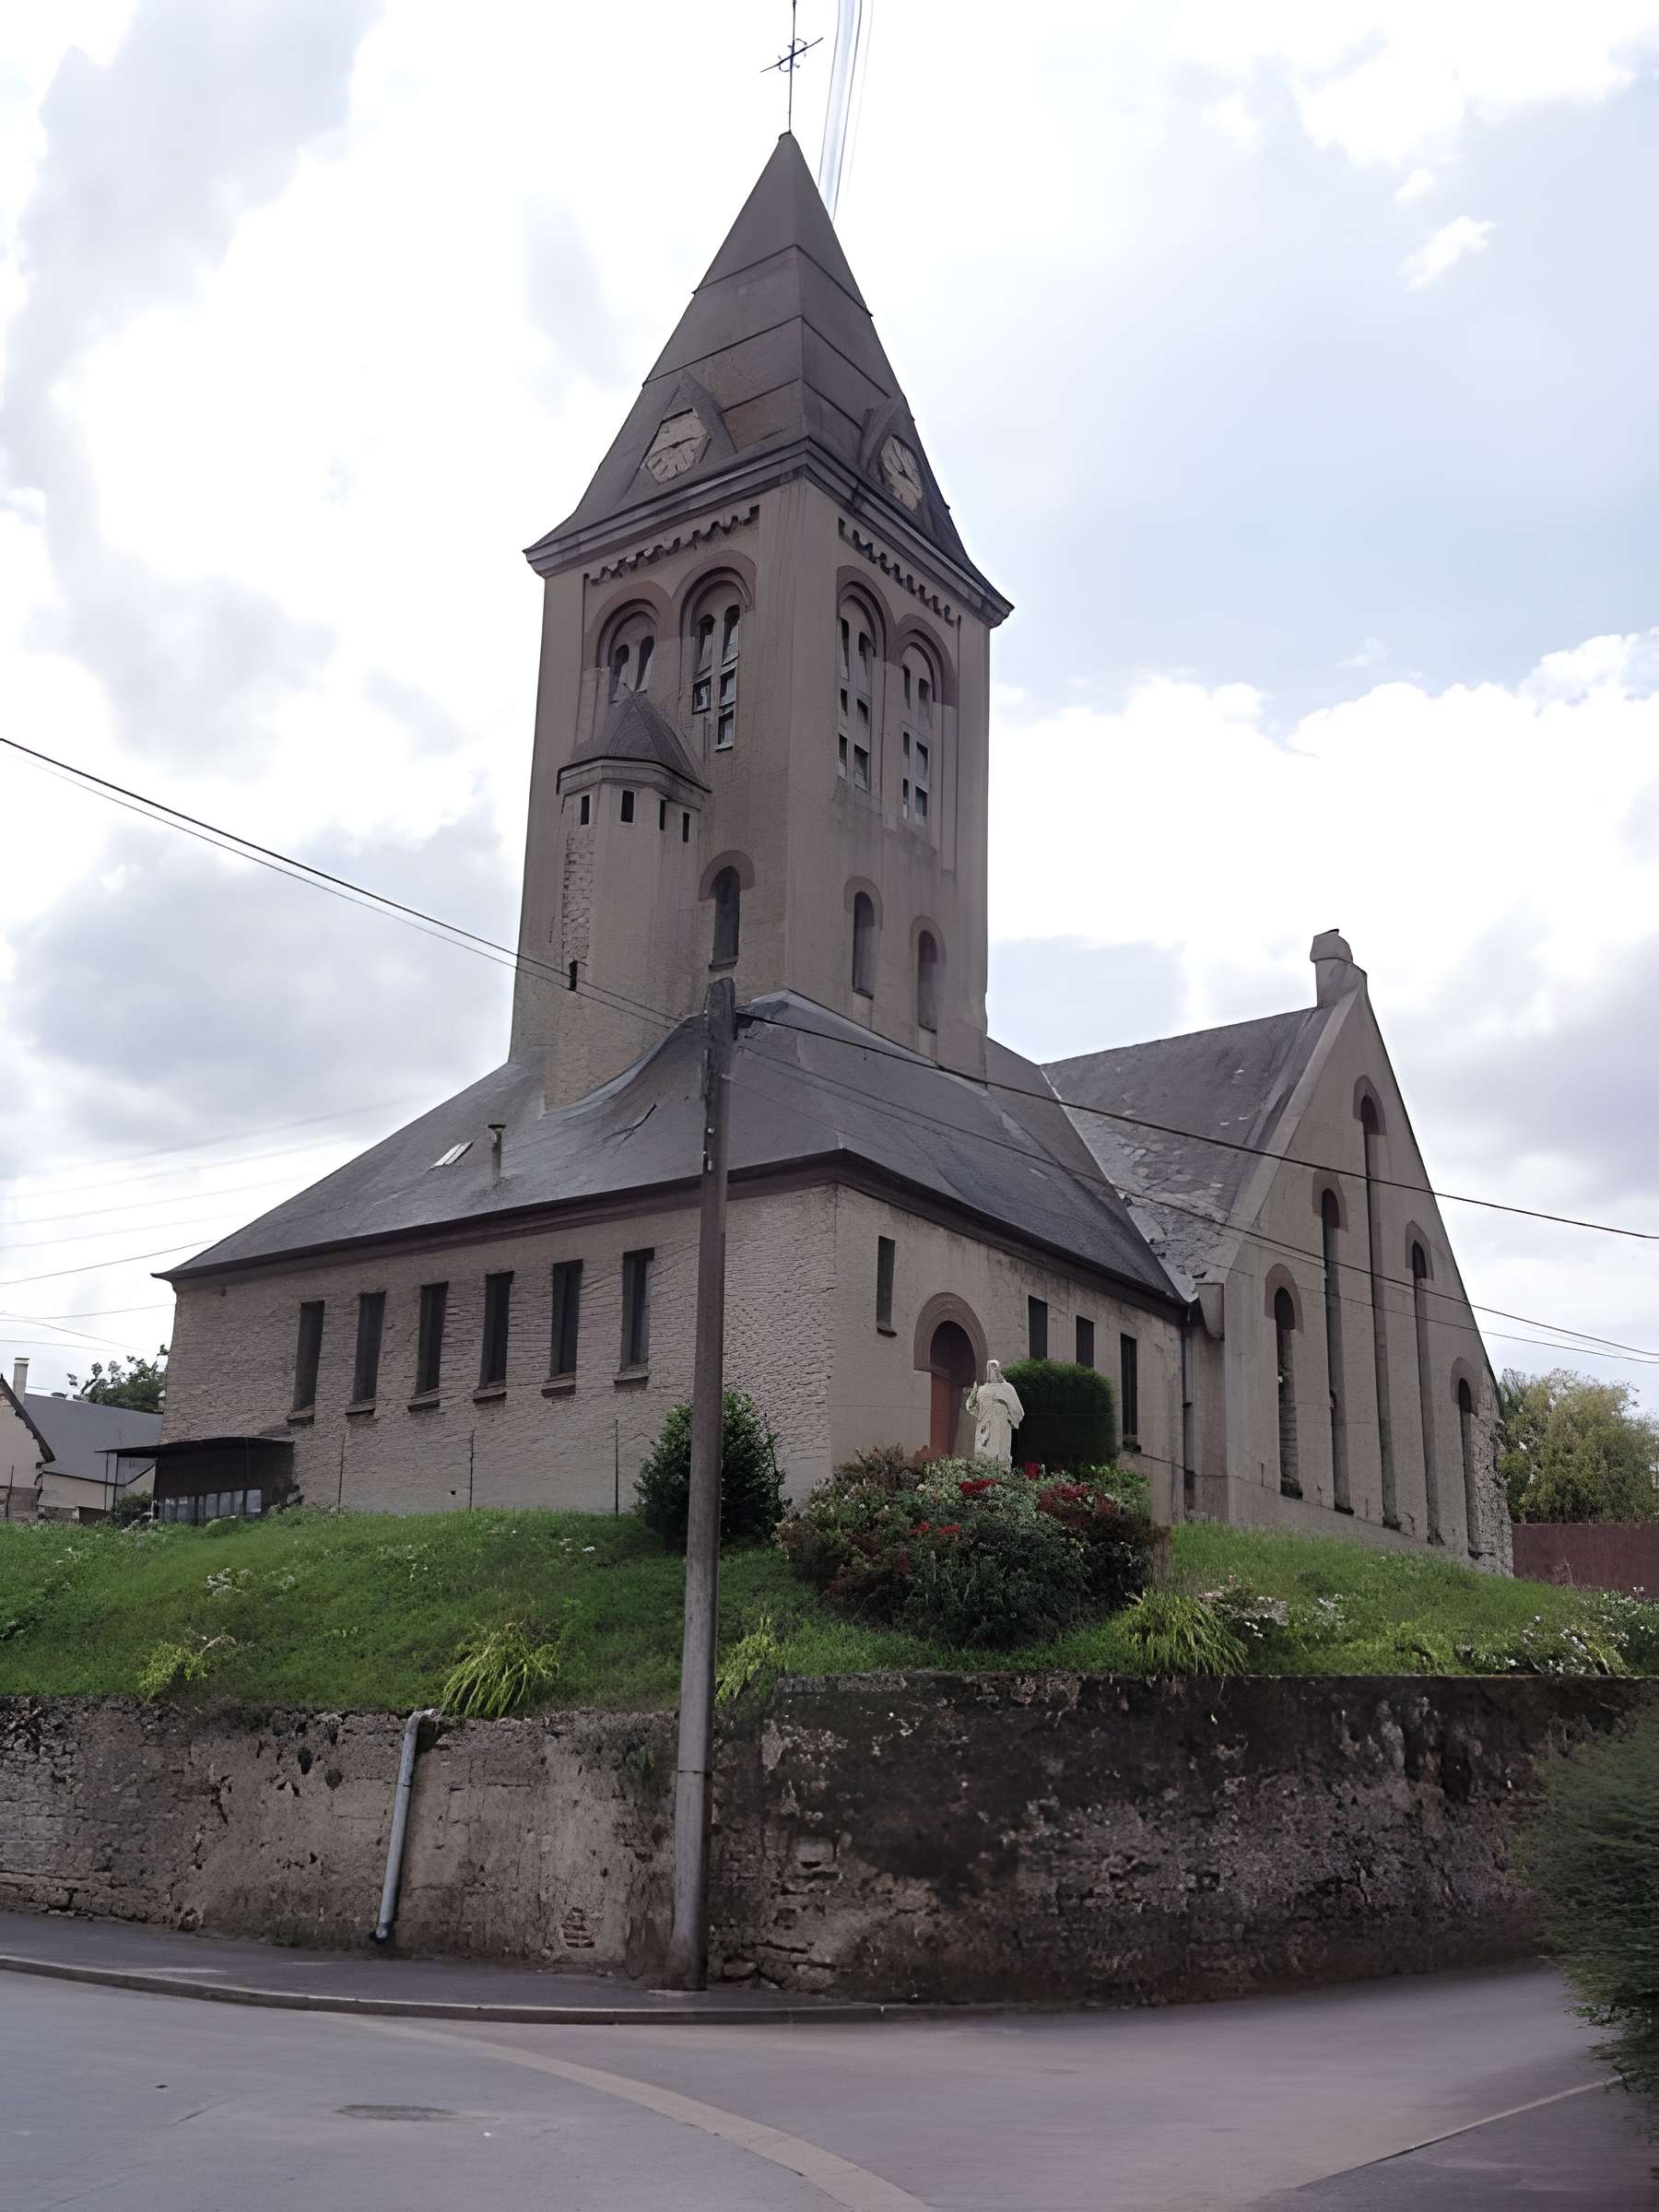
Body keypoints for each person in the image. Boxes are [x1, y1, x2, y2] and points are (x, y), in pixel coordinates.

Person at [965, 1359, 1024, 1465]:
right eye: (990, 1367)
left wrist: (1009, 1419)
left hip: (1000, 1427)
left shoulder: (1007, 1388)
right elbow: (970, 1406)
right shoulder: (982, 1389)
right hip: (984, 1427)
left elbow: (1018, 1411)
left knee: (999, 1456)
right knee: (983, 1457)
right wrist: (974, 1391)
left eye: (994, 1367)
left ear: (999, 1370)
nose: (992, 1370)